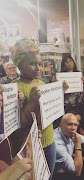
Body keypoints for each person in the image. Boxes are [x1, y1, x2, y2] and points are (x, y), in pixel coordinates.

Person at [9, 39, 56, 179]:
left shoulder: (42, 83)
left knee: (49, 176)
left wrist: (59, 93)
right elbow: (20, 123)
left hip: (49, 140)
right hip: (29, 146)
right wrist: (32, 101)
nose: (38, 68)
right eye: (33, 64)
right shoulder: (13, 88)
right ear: (20, 65)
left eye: (40, 64)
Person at [61, 55, 84, 130]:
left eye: (70, 61)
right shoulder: (61, 76)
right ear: (63, 64)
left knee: (80, 126)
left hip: (79, 105)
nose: (69, 63)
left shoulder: (79, 74)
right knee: (69, 126)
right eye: (66, 62)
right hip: (67, 106)